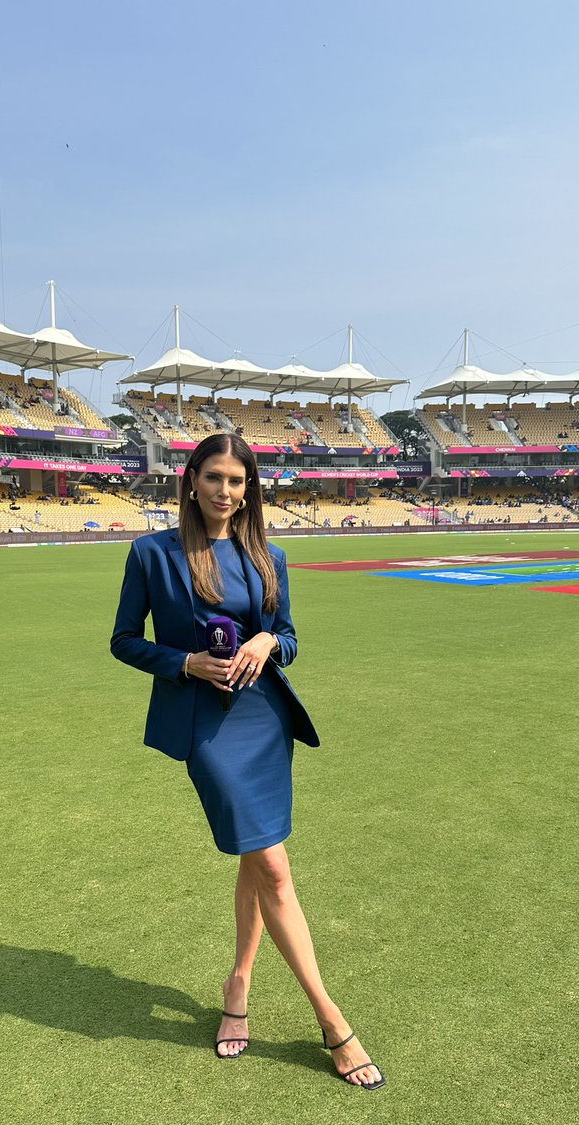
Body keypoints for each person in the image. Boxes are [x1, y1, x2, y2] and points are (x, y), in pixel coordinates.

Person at [110, 433, 384, 1090]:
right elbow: (123, 640)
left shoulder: (269, 555)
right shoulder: (152, 553)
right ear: (191, 479)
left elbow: (289, 636)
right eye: (214, 479)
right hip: (206, 726)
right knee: (273, 868)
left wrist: (267, 639)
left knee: (259, 859)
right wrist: (182, 662)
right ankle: (333, 1023)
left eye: (237, 481)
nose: (225, 492)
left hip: (262, 719)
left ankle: (238, 985)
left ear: (249, 488)